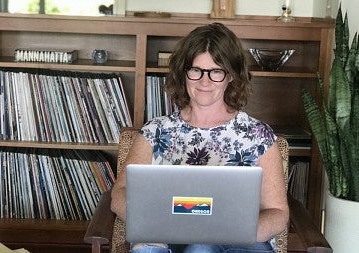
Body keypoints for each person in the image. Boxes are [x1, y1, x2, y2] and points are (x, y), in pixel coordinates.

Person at [110, 22, 289, 253]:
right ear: (184, 73)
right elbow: (119, 195)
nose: (205, 82)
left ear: (231, 76)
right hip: (166, 235)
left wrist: (237, 232)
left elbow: (278, 213)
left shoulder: (258, 136)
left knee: (201, 246)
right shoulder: (155, 131)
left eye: (216, 71)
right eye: (196, 70)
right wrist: (158, 224)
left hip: (241, 243)